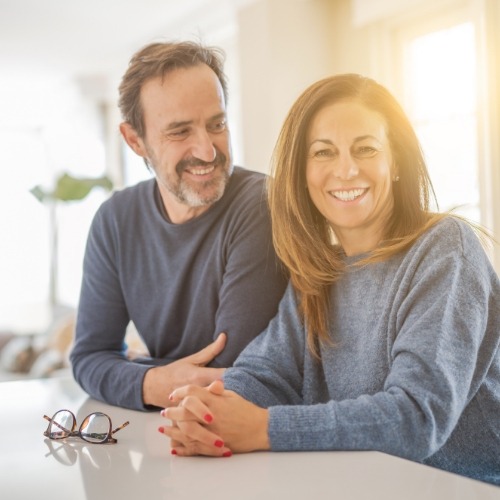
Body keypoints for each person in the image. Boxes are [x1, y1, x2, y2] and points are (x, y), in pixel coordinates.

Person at [160, 74, 500, 486]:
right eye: (323, 152)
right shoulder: (319, 273)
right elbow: (267, 374)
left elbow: (415, 417)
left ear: (395, 164)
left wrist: (263, 428)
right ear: (302, 173)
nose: (346, 169)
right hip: (365, 486)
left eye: (366, 148)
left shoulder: (446, 248)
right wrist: (209, 410)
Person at [70, 41, 287, 411]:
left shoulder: (263, 203)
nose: (206, 150)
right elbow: (89, 358)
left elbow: (230, 373)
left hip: (250, 440)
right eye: (180, 131)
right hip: (168, 434)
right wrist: (152, 381)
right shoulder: (115, 221)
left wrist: (135, 373)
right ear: (135, 140)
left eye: (216, 124)